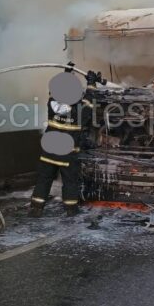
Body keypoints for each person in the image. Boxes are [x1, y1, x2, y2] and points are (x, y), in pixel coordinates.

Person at [29, 71, 101, 217]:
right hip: (67, 155)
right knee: (70, 181)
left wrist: (66, 75)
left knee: (43, 179)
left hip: (48, 152)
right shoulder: (79, 112)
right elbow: (89, 102)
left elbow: (54, 91)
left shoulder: (51, 104)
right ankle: (71, 209)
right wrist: (91, 84)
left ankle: (36, 208)